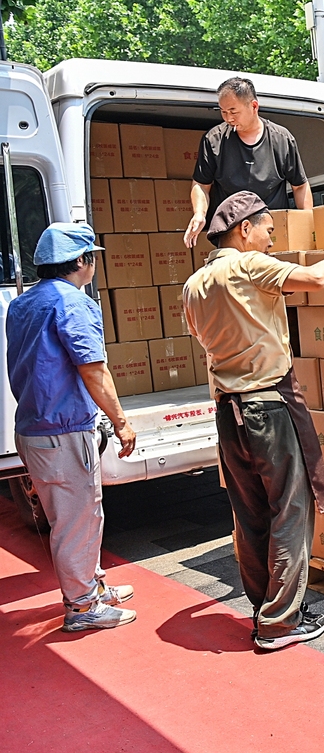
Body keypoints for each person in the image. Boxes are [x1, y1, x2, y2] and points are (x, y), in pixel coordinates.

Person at [182, 191, 324, 650]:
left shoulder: (195, 284)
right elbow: (316, 279)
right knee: (290, 509)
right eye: (267, 231)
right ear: (244, 229)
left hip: (228, 411)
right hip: (267, 407)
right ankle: (281, 622)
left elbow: (201, 338)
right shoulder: (247, 266)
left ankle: (265, 608)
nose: (270, 240)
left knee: (251, 514)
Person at [6, 223, 138, 632]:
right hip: (61, 430)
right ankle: (82, 607)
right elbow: (93, 371)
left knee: (77, 515)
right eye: (92, 256)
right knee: (76, 519)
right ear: (82, 261)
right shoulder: (73, 303)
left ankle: (91, 587)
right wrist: (121, 422)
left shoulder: (22, 304)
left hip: (34, 426)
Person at [183, 77, 313, 248]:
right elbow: (201, 184)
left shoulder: (281, 139)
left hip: (273, 235)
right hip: (231, 237)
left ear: (253, 106)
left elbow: (300, 186)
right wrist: (199, 214)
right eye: (223, 111)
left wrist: (309, 225)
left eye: (233, 111)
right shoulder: (214, 140)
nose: (228, 118)